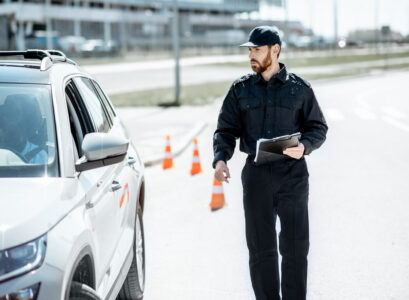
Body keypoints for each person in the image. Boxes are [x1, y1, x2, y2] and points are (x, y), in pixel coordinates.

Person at [212, 26, 328, 300]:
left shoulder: (299, 89)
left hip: (293, 175)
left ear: (275, 50)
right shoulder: (240, 90)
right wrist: (220, 159)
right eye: (250, 50)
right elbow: (225, 130)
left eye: (257, 49)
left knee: (295, 247)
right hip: (257, 176)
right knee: (260, 248)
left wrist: (305, 146)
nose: (251, 55)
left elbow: (318, 128)